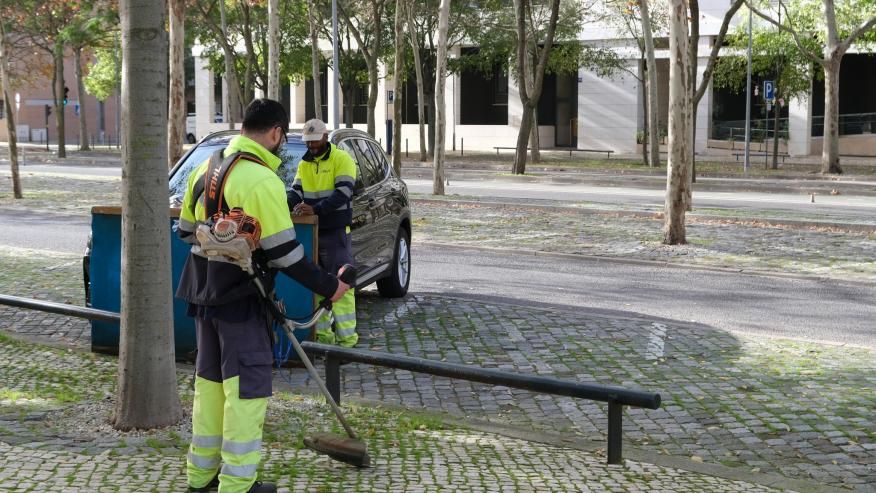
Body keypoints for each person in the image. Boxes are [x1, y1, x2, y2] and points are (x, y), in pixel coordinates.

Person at [176, 99, 351, 493]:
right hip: (242, 297)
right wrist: (331, 286)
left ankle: (200, 477)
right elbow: (286, 254)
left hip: (202, 294)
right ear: (276, 133)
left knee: (210, 386)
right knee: (246, 390)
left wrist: (218, 233)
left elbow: (185, 231)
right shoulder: (262, 181)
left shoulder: (206, 169)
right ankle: (238, 485)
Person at [287, 118, 359, 348]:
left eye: (315, 140)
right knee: (317, 283)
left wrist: (315, 209)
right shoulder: (304, 163)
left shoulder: (342, 159)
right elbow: (296, 191)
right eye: (308, 141)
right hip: (312, 231)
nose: (311, 145)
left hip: (335, 230)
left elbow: (343, 193)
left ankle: (347, 341)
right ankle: (324, 337)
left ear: (325, 137)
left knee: (342, 283)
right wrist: (284, 206)